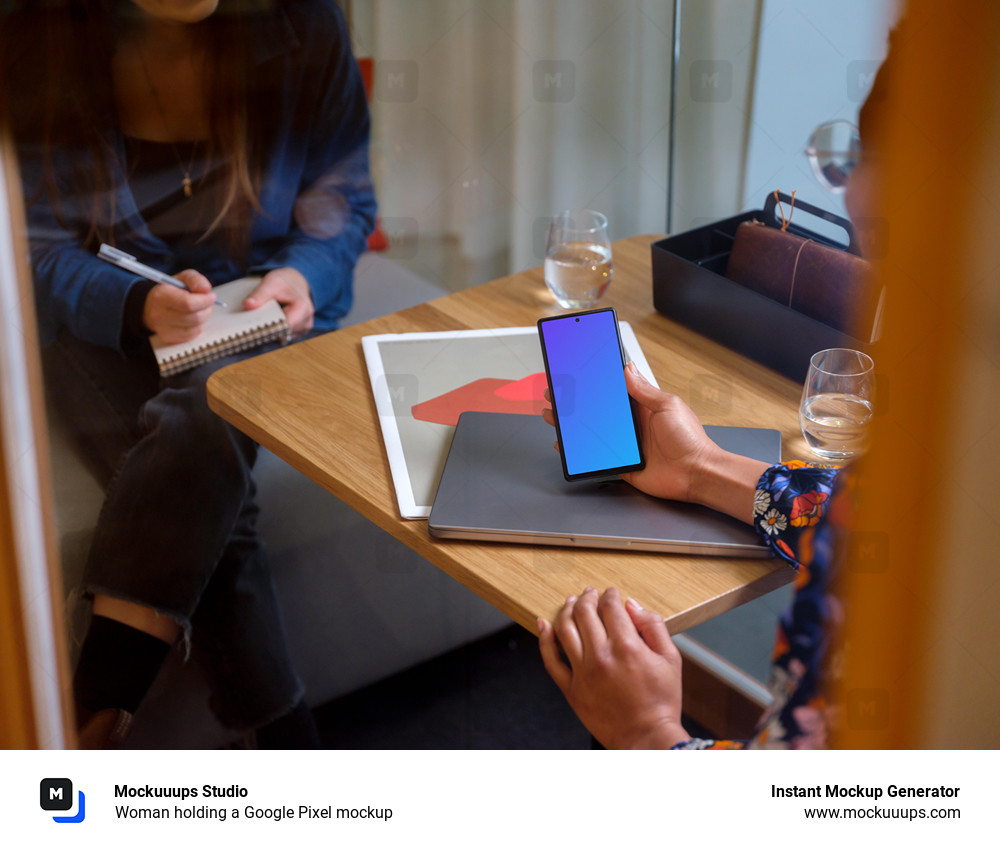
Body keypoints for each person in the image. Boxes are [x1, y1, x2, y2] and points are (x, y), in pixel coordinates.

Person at [1, 0, 376, 747]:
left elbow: (342, 201)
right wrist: (136, 300)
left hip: (259, 313)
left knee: (215, 403)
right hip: (98, 325)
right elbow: (32, 247)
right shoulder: (38, 30)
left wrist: (302, 274)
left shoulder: (305, 19)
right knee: (214, 441)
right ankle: (287, 749)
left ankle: (90, 721)